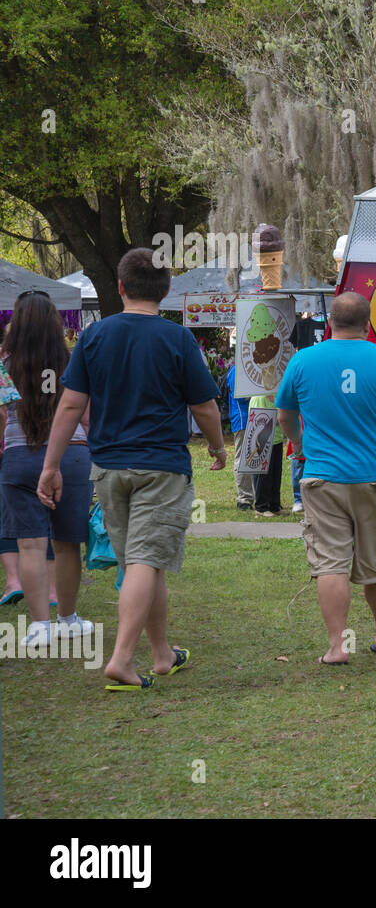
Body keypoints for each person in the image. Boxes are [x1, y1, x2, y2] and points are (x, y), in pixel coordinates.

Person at [39, 248, 227, 691]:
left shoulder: (93, 337)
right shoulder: (178, 339)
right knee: (146, 558)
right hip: (161, 466)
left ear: (121, 287)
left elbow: (70, 403)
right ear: (165, 291)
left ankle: (162, 654)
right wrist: (218, 448)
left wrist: (51, 465)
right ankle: (122, 660)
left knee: (144, 561)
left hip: (108, 468)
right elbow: (203, 405)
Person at [275, 291, 376, 666]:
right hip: (374, 479)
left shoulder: (303, 361)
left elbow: (284, 416)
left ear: (329, 325)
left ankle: (338, 646)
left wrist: (300, 442)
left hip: (322, 479)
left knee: (331, 563)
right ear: (368, 325)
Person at [0, 291, 93, 645]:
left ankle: (40, 626)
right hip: (70, 455)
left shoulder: (4, 363)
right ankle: (68, 618)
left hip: (20, 457)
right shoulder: (69, 362)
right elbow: (83, 415)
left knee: (29, 545)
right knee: (68, 542)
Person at [247, 392, 284, 516]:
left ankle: (274, 505)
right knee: (263, 475)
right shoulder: (259, 397)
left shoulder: (275, 394)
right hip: (263, 441)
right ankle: (261, 507)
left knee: (275, 474)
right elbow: (261, 420)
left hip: (277, 439)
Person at [226, 364, 254, 510]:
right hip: (243, 419)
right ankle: (244, 499)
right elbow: (241, 396)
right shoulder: (237, 370)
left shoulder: (251, 367)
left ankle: (259, 496)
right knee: (242, 458)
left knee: (256, 458)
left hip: (257, 417)